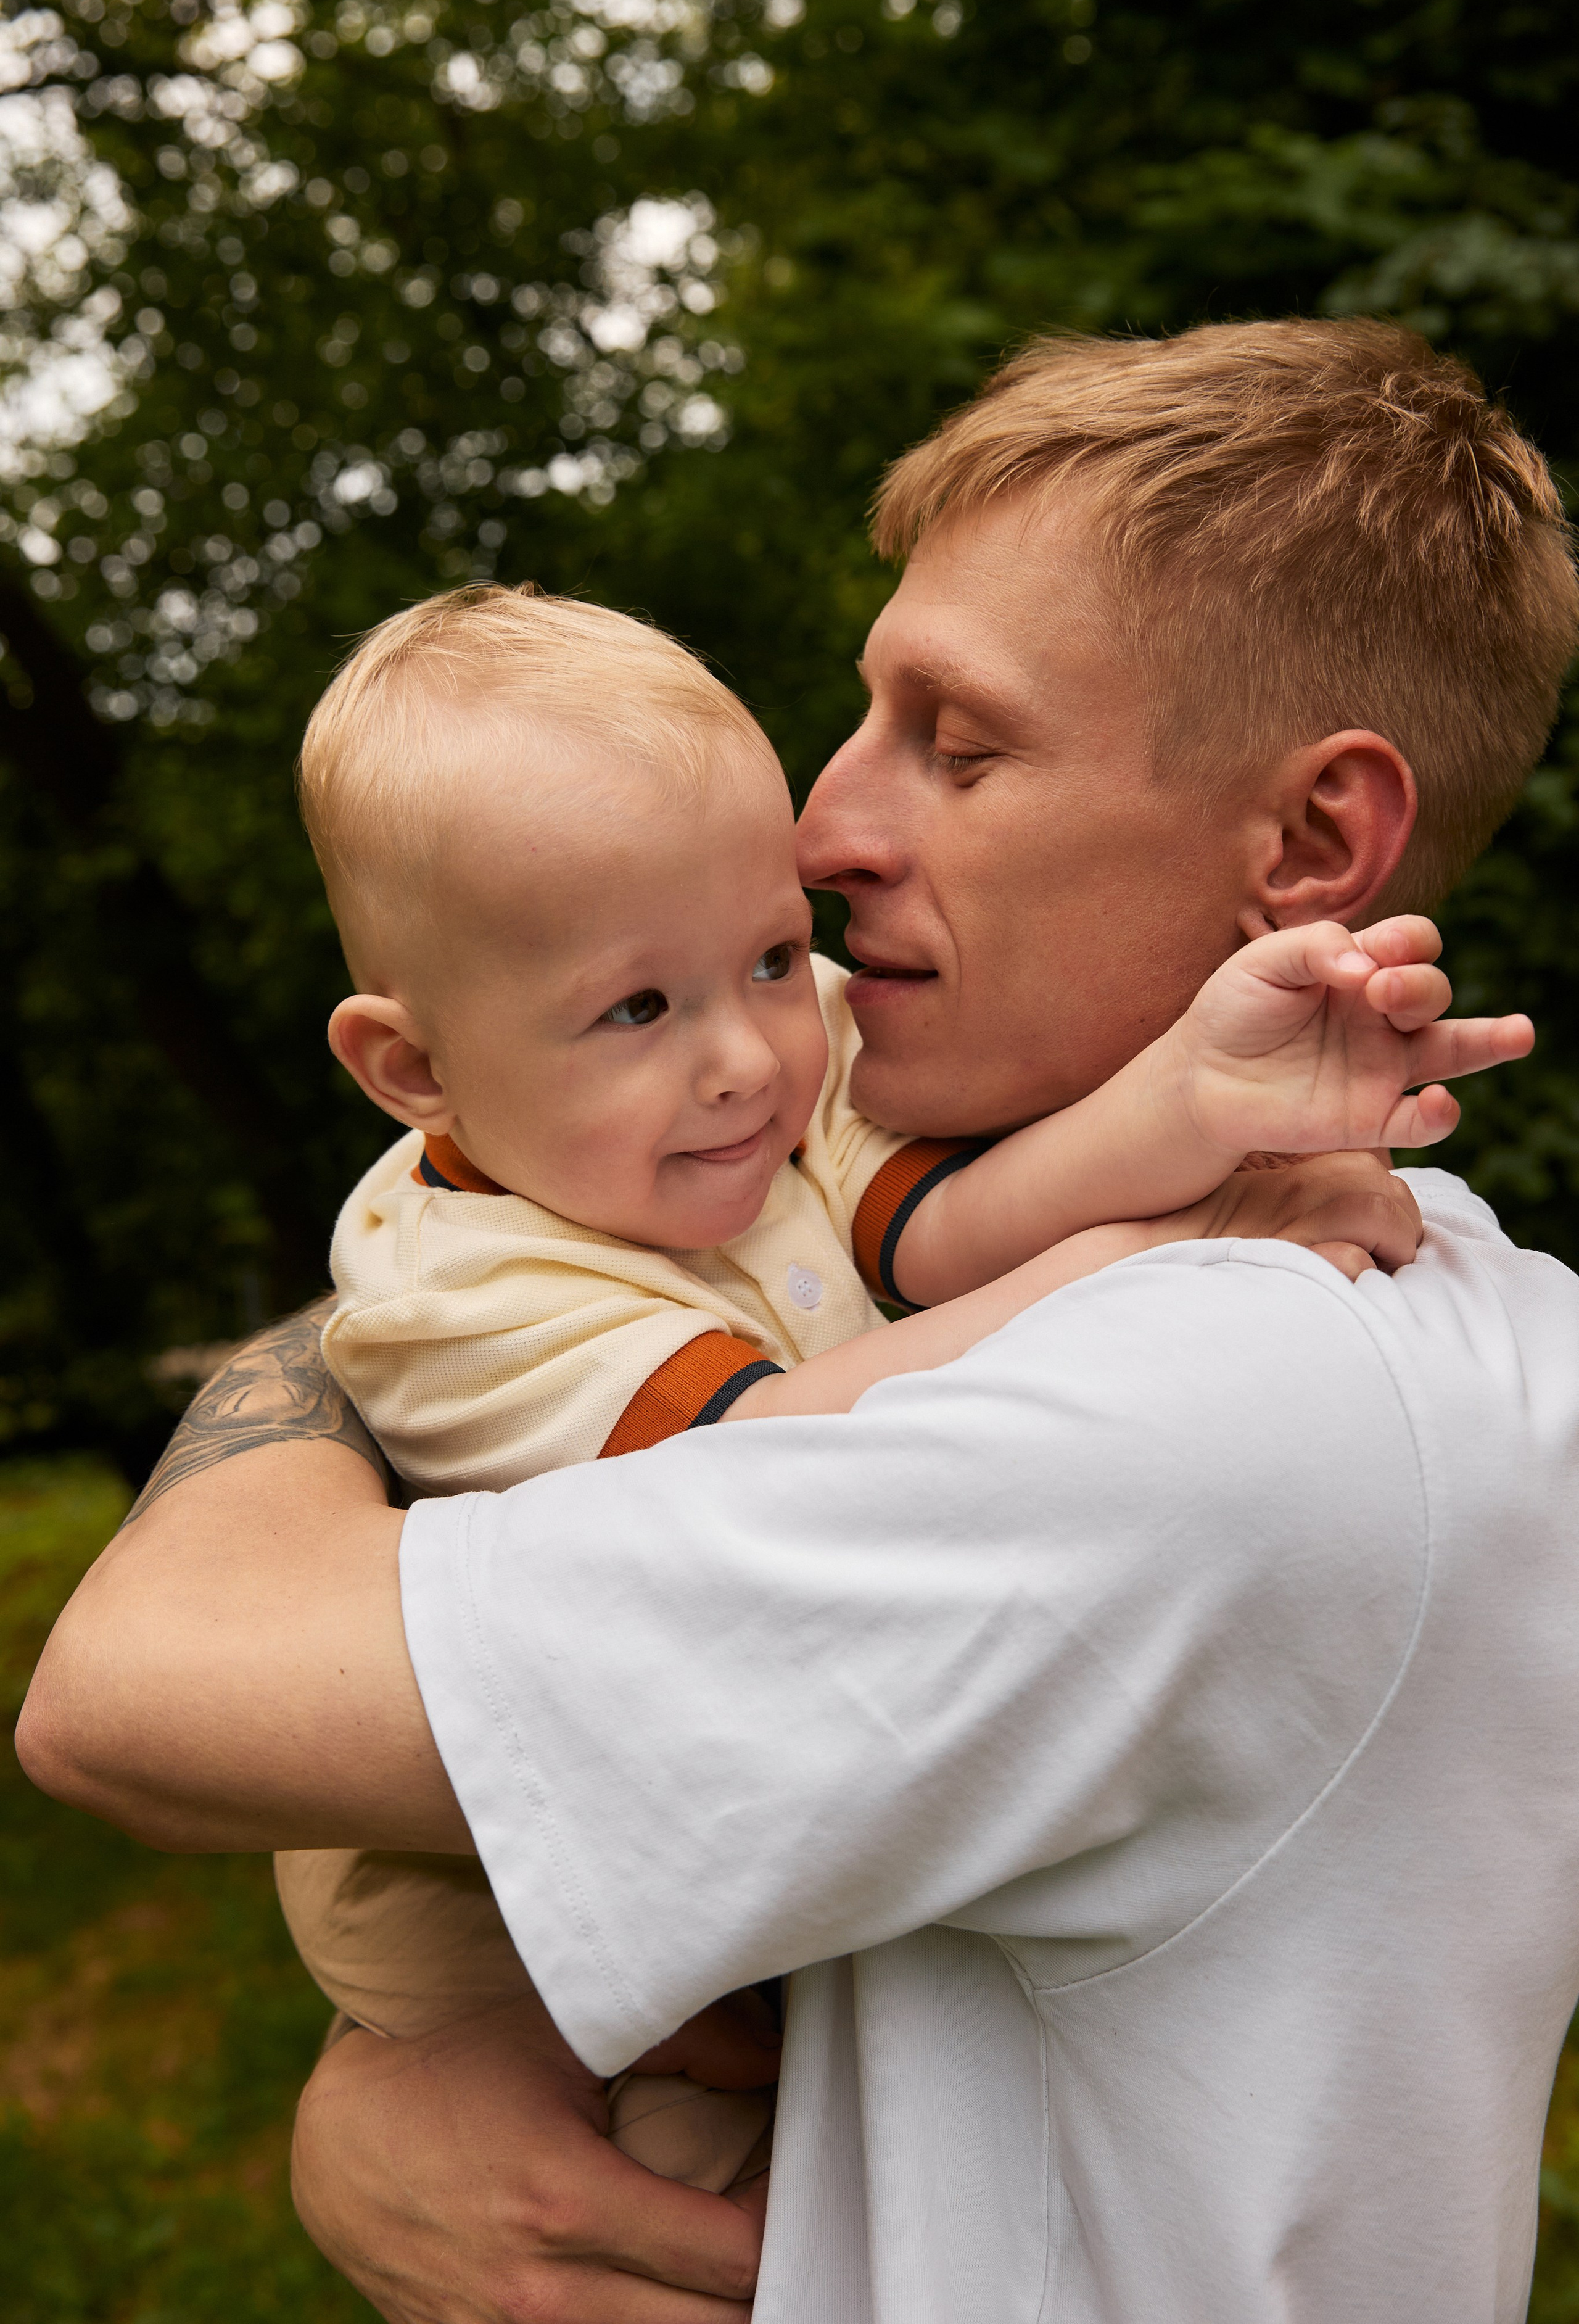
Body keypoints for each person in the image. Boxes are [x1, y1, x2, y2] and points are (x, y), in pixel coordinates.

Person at [19, 316, 1579, 2324]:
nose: (827, 828)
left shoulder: (1200, 1401)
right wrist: (407, 2077)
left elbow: (133, 1692)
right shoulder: (1425, 1294)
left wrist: (399, 2063)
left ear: (1305, 846)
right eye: (861, 716)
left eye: (962, 739)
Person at [278, 571, 1511, 2196]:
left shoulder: (755, 1074)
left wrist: (1192, 1105)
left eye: (777, 957)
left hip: (736, 1831)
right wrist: (1140, 1255)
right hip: (511, 1944)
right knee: (678, 2190)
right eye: (639, 1009)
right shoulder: (465, 1299)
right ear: (414, 1069)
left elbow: (936, 1230)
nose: (753, 1055)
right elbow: (772, 1445)